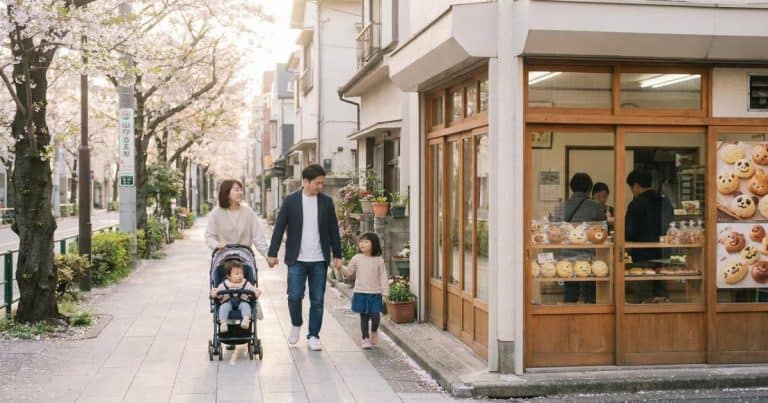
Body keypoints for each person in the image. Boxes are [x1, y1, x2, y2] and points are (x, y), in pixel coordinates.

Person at [268, 164, 342, 351]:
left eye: (322, 184)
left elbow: (333, 229)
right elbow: (279, 227)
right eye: (317, 183)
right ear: (306, 181)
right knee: (294, 296)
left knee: (317, 299)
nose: (320, 187)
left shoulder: (326, 202)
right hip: (297, 259)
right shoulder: (291, 201)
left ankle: (313, 335)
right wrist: (272, 252)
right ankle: (296, 323)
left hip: (319, 260)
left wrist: (338, 255)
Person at [553, 173, 606, 304]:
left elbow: (554, 230)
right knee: (590, 295)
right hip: (590, 257)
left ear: (572, 188)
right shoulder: (597, 207)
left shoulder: (562, 207)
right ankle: (591, 319)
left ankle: (569, 317)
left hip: (568, 256)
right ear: (589, 189)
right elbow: (604, 231)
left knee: (570, 294)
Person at [625, 170, 674, 303]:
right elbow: (671, 227)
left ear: (635, 185)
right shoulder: (665, 202)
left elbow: (629, 232)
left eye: (631, 188)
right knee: (662, 293)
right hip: (663, 254)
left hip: (642, 256)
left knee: (645, 296)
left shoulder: (636, 204)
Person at [335, 233, 389, 349]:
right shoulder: (357, 258)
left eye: (366, 241)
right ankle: (365, 338)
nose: (362, 244)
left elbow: (383, 277)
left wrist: (385, 293)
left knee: (375, 316)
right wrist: (340, 268)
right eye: (361, 241)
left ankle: (374, 330)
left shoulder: (379, 260)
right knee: (363, 317)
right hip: (360, 292)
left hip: (375, 293)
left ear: (373, 244)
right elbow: (349, 272)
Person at [205, 179, 270, 258]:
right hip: (224, 258)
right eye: (237, 190)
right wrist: (217, 245)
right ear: (226, 192)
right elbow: (209, 236)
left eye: (241, 190)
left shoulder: (248, 212)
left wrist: (267, 255)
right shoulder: (216, 213)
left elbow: (258, 236)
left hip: (244, 258)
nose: (241, 192)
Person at [210, 260, 262, 333]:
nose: (240, 276)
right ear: (229, 276)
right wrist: (214, 293)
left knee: (246, 306)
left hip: (242, 301)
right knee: (223, 308)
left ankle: (246, 320)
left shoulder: (245, 283)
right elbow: (217, 290)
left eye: (241, 273)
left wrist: (257, 292)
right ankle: (223, 323)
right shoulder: (225, 284)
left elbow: (252, 289)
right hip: (228, 302)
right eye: (237, 274)